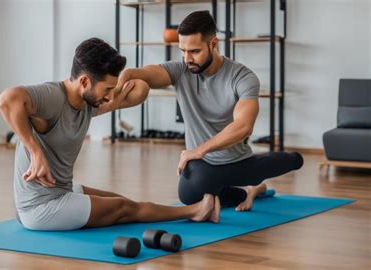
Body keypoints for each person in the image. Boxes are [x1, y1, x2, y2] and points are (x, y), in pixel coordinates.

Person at [0, 38, 220, 231]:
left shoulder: (87, 101)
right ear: (84, 81)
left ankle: (193, 211)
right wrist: (35, 153)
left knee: (121, 201)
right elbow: (7, 100)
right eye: (106, 89)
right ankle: (195, 210)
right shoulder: (54, 97)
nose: (109, 95)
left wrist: (114, 93)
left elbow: (140, 89)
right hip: (40, 207)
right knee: (124, 209)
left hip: (60, 191)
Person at [116, 11, 303, 214]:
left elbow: (244, 126)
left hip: (238, 162)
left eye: (194, 51)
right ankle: (249, 192)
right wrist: (128, 74)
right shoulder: (180, 71)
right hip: (203, 165)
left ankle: (270, 174)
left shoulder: (242, 77)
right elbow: (148, 73)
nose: (187, 58)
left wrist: (199, 149)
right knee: (189, 194)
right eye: (182, 51)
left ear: (213, 44)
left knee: (285, 163)